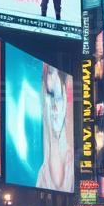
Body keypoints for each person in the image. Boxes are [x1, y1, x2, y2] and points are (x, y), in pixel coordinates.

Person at [37, 63, 73, 192]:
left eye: (57, 98)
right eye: (49, 96)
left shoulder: (74, 166)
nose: (54, 108)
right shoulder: (42, 177)